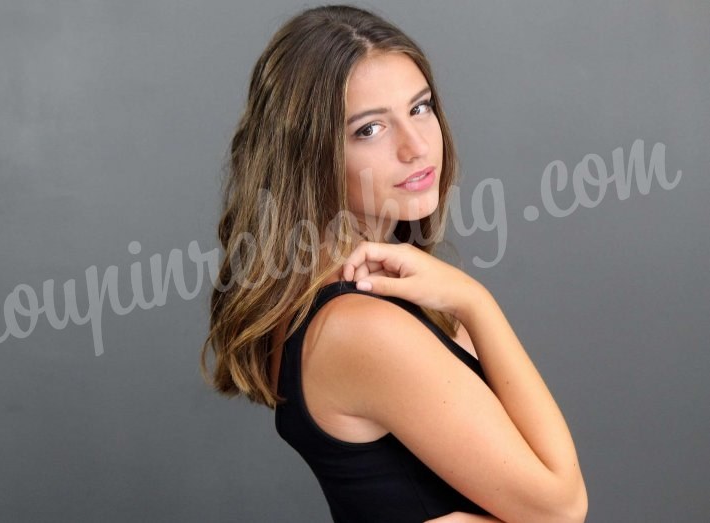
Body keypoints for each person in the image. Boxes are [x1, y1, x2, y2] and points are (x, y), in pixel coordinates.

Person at [201, 5, 588, 522]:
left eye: (420, 108)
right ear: (310, 155)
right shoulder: (359, 327)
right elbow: (561, 509)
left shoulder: (357, 295)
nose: (415, 146)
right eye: (369, 130)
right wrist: (476, 303)